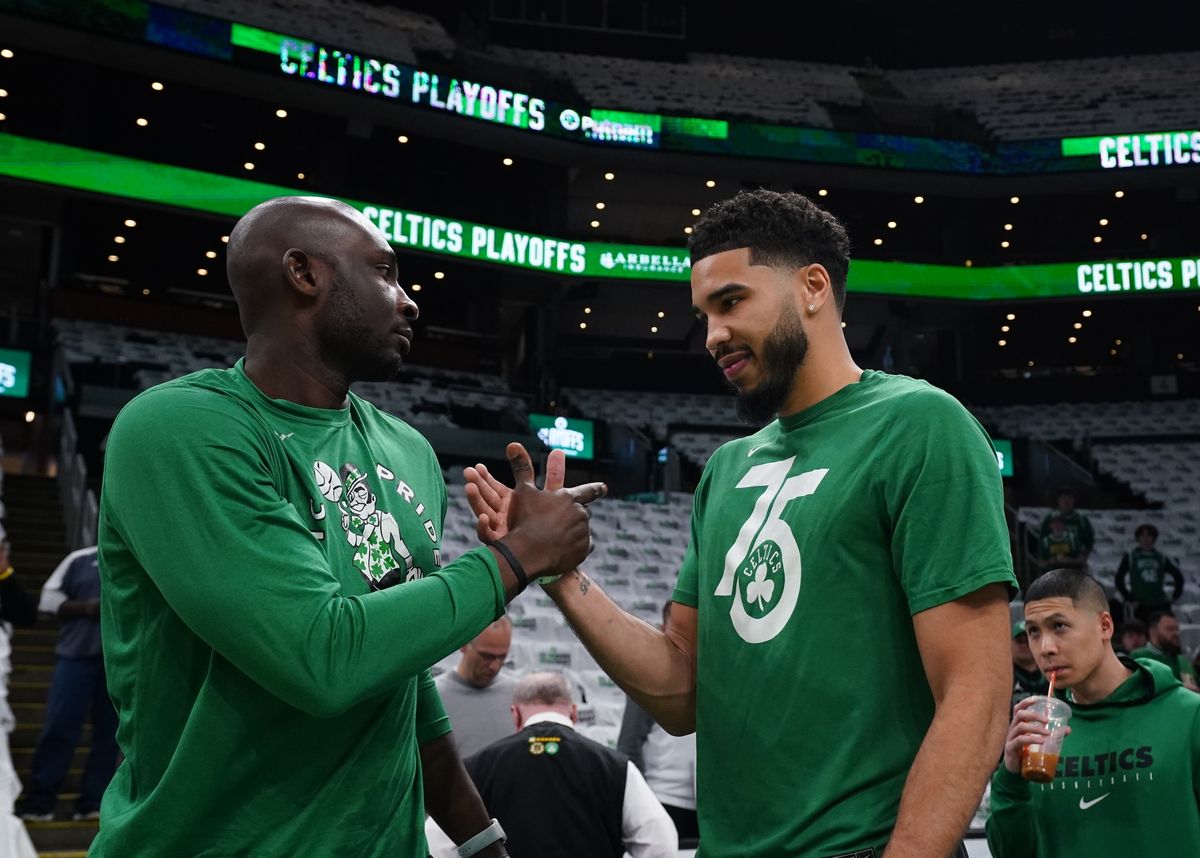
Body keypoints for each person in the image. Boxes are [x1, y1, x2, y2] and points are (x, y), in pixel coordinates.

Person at [467, 189, 1016, 856]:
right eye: (703, 315)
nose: (713, 335)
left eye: (731, 302)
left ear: (814, 287)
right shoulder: (725, 469)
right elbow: (679, 692)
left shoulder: (920, 425)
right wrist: (559, 572)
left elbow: (976, 692)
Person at [91, 196, 605, 857]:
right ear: (304, 274)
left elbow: (403, 675)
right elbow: (320, 659)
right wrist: (516, 557)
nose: (409, 301)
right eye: (386, 272)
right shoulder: (181, 430)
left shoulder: (407, 450)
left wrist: (482, 843)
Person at [986, 568, 1200, 856]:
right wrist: (1010, 778)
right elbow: (1011, 852)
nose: (1045, 648)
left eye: (1059, 626)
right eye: (1034, 631)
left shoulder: (1188, 716)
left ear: (1105, 626)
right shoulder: (1038, 735)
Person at [426, 672, 677, 858]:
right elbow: (660, 844)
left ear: (515, 714)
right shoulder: (617, 767)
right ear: (575, 713)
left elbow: (436, 844)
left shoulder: (477, 767)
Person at [17, 546, 118, 822]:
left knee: (110, 735)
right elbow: (48, 598)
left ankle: (93, 803)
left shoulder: (137, 551)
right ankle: (40, 801)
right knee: (60, 726)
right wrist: (87, 607)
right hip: (75, 657)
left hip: (117, 662)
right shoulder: (80, 558)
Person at [617, 601, 697, 840]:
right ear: (664, 628)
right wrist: (643, 802)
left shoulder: (715, 676)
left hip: (710, 806)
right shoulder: (649, 678)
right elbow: (629, 745)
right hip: (664, 799)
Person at [436, 616, 520, 758]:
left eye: (502, 657)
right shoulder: (435, 697)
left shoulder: (518, 694)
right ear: (463, 644)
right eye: (486, 656)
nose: (494, 666)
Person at [1115, 523, 1183, 623]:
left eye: (1149, 535)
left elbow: (1178, 577)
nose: (1145, 538)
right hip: (1140, 604)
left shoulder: (1161, 557)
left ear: (1154, 538)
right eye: (1142, 535)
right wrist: (1129, 598)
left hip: (1160, 603)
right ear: (1138, 538)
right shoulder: (1130, 557)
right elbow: (1119, 579)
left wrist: (1175, 595)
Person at [1130, 611, 1200, 690]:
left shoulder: (1183, 659)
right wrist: (1179, 687)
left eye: (1177, 629)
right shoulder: (1139, 656)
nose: (1176, 633)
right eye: (1170, 629)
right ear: (1153, 632)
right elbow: (1137, 689)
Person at [1038, 488, 1094, 565]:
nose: (1066, 501)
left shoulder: (1081, 519)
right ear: (1058, 500)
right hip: (1053, 564)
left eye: (1070, 498)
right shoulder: (1050, 518)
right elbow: (1042, 540)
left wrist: (1083, 557)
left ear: (1074, 500)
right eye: (1063, 498)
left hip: (1075, 564)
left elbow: (1089, 541)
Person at [1010, 620, 1049, 708]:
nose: (1025, 646)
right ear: (1010, 644)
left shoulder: (1051, 673)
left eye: (1028, 641)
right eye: (1020, 641)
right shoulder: (1004, 677)